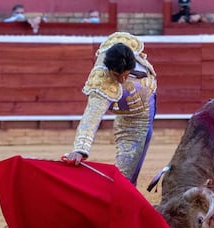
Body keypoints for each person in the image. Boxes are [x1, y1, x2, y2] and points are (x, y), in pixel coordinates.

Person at [64, 32, 157, 186]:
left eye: (126, 75)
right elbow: (91, 115)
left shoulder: (128, 47)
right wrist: (80, 149)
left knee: (132, 172)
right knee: (124, 179)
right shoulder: (102, 80)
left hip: (149, 109)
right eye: (117, 75)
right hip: (131, 123)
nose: (121, 80)